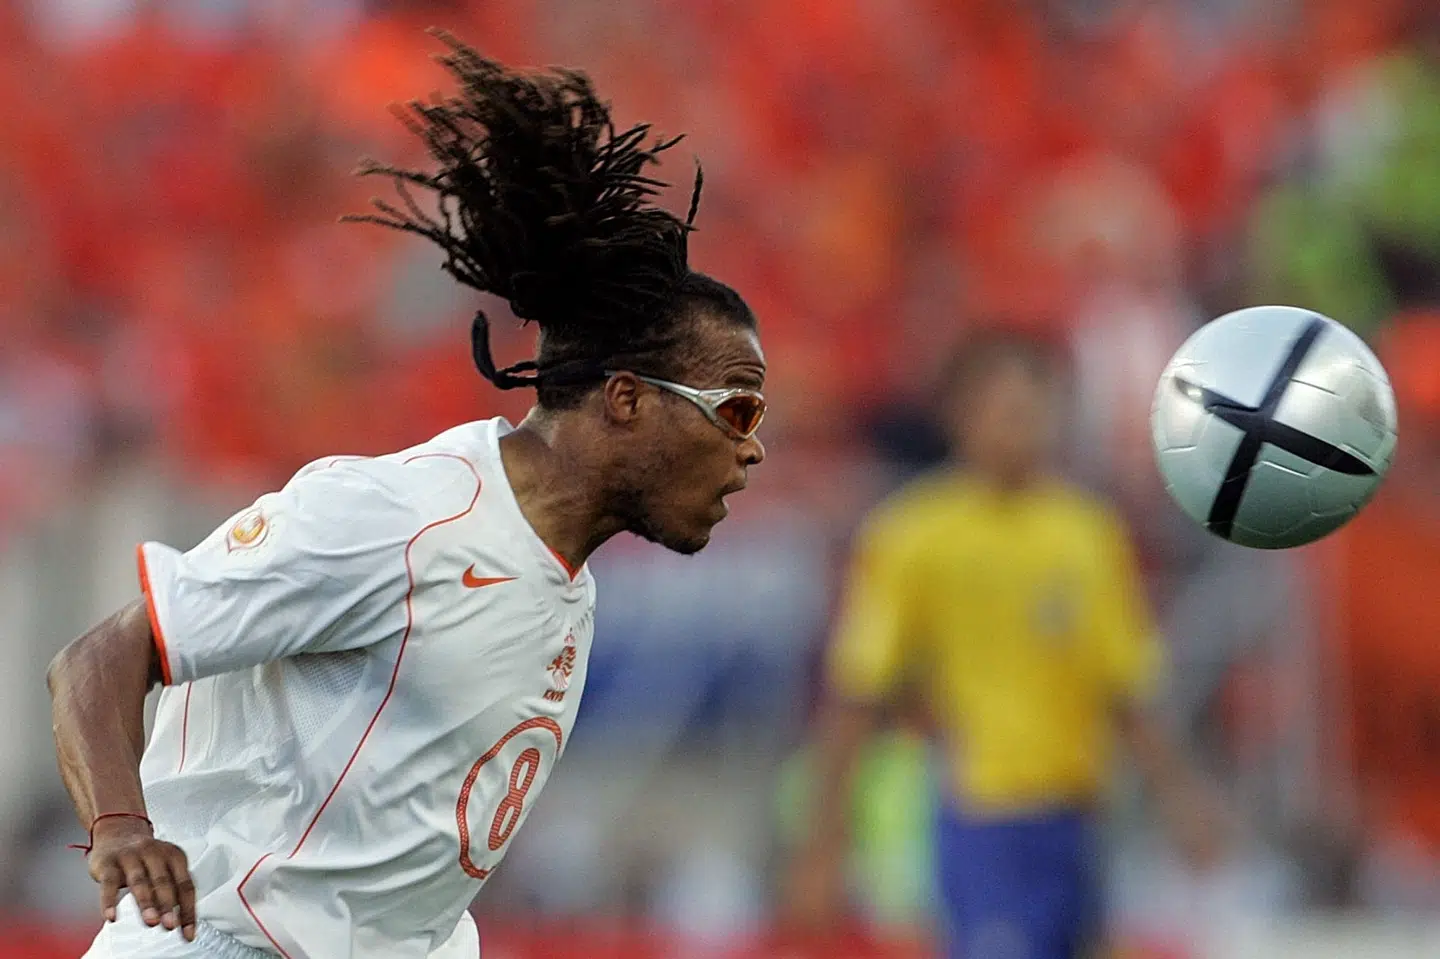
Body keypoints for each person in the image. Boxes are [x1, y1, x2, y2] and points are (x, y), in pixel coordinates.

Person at [47, 33, 767, 959]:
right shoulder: (396, 519)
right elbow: (99, 657)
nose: (753, 450)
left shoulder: (566, 591)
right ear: (626, 398)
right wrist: (119, 828)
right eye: (737, 408)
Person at [787, 330, 1224, 959]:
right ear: (960, 415)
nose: (1021, 425)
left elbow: (1129, 687)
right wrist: (824, 847)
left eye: (1036, 407)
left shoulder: (1088, 534)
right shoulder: (914, 535)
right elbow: (858, 692)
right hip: (981, 817)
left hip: (1078, 817)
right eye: (1004, 407)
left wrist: (1181, 800)